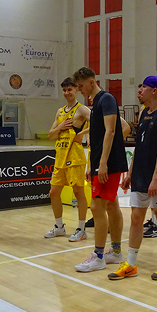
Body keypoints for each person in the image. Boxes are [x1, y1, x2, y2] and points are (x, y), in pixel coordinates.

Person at [108, 76, 157, 281]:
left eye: (143, 87)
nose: (139, 90)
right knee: (136, 218)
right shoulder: (144, 112)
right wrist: (131, 172)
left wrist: (156, 178)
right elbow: (139, 146)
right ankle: (131, 264)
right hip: (140, 174)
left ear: (154, 90)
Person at [71, 67, 130, 272]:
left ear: (91, 82)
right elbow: (98, 136)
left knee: (96, 207)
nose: (79, 90)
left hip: (109, 163)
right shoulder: (96, 104)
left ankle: (98, 256)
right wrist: (92, 164)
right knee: (111, 206)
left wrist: (103, 163)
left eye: (80, 86)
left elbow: (112, 130)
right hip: (99, 162)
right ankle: (116, 251)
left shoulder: (106, 99)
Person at [44, 77, 91, 241]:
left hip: (75, 157)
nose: (66, 93)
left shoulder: (82, 109)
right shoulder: (60, 111)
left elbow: (99, 122)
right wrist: (60, 127)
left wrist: (82, 134)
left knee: (78, 192)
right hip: (60, 156)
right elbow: (51, 135)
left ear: (76, 90)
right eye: (64, 90)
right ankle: (59, 227)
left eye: (69, 89)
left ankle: (81, 229)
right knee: (53, 192)